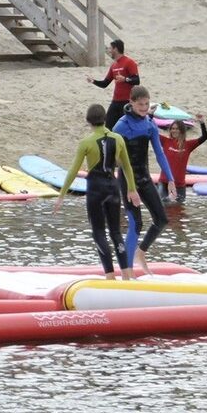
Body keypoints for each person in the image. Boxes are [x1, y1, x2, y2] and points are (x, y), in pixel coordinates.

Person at [54, 104, 141, 281]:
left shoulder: (86, 142)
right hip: (113, 187)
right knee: (116, 232)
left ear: (88, 121)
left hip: (96, 190)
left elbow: (73, 170)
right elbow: (126, 167)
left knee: (99, 232)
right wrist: (131, 189)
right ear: (105, 119)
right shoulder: (118, 139)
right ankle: (126, 275)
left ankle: (110, 277)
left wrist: (62, 195)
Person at [111, 86, 173, 272]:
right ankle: (127, 270)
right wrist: (129, 187)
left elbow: (160, 154)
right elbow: (112, 156)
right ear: (131, 102)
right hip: (128, 181)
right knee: (136, 223)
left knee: (161, 219)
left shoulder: (149, 124)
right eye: (140, 104)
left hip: (144, 179)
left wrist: (169, 178)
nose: (144, 107)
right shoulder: (121, 126)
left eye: (147, 104)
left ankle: (141, 252)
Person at [87, 38, 139, 127]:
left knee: (124, 127)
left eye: (110, 48)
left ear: (115, 49)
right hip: (115, 101)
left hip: (127, 101)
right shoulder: (114, 65)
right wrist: (93, 81)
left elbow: (137, 80)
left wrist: (125, 79)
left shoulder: (129, 62)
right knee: (108, 126)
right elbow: (105, 83)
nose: (109, 51)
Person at [159, 116, 207, 203]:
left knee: (179, 211)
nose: (174, 131)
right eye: (172, 128)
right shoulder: (165, 141)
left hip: (179, 185)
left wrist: (202, 123)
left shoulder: (188, 145)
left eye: (177, 129)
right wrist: (150, 116)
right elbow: (152, 132)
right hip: (164, 182)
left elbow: (204, 137)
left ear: (182, 130)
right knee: (163, 208)